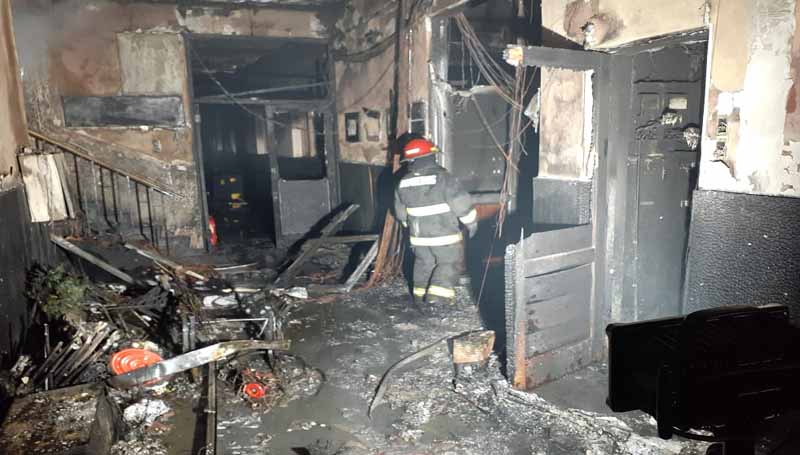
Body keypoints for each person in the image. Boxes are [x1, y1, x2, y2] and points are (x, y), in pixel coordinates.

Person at [393, 137, 478, 308]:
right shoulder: (444, 178)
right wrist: (471, 222)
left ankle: (420, 296)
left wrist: (410, 226)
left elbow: (400, 213)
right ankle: (437, 300)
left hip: (418, 238)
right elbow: (461, 203)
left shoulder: (403, 182)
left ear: (410, 161)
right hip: (444, 236)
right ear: (431, 156)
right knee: (448, 263)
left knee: (424, 264)